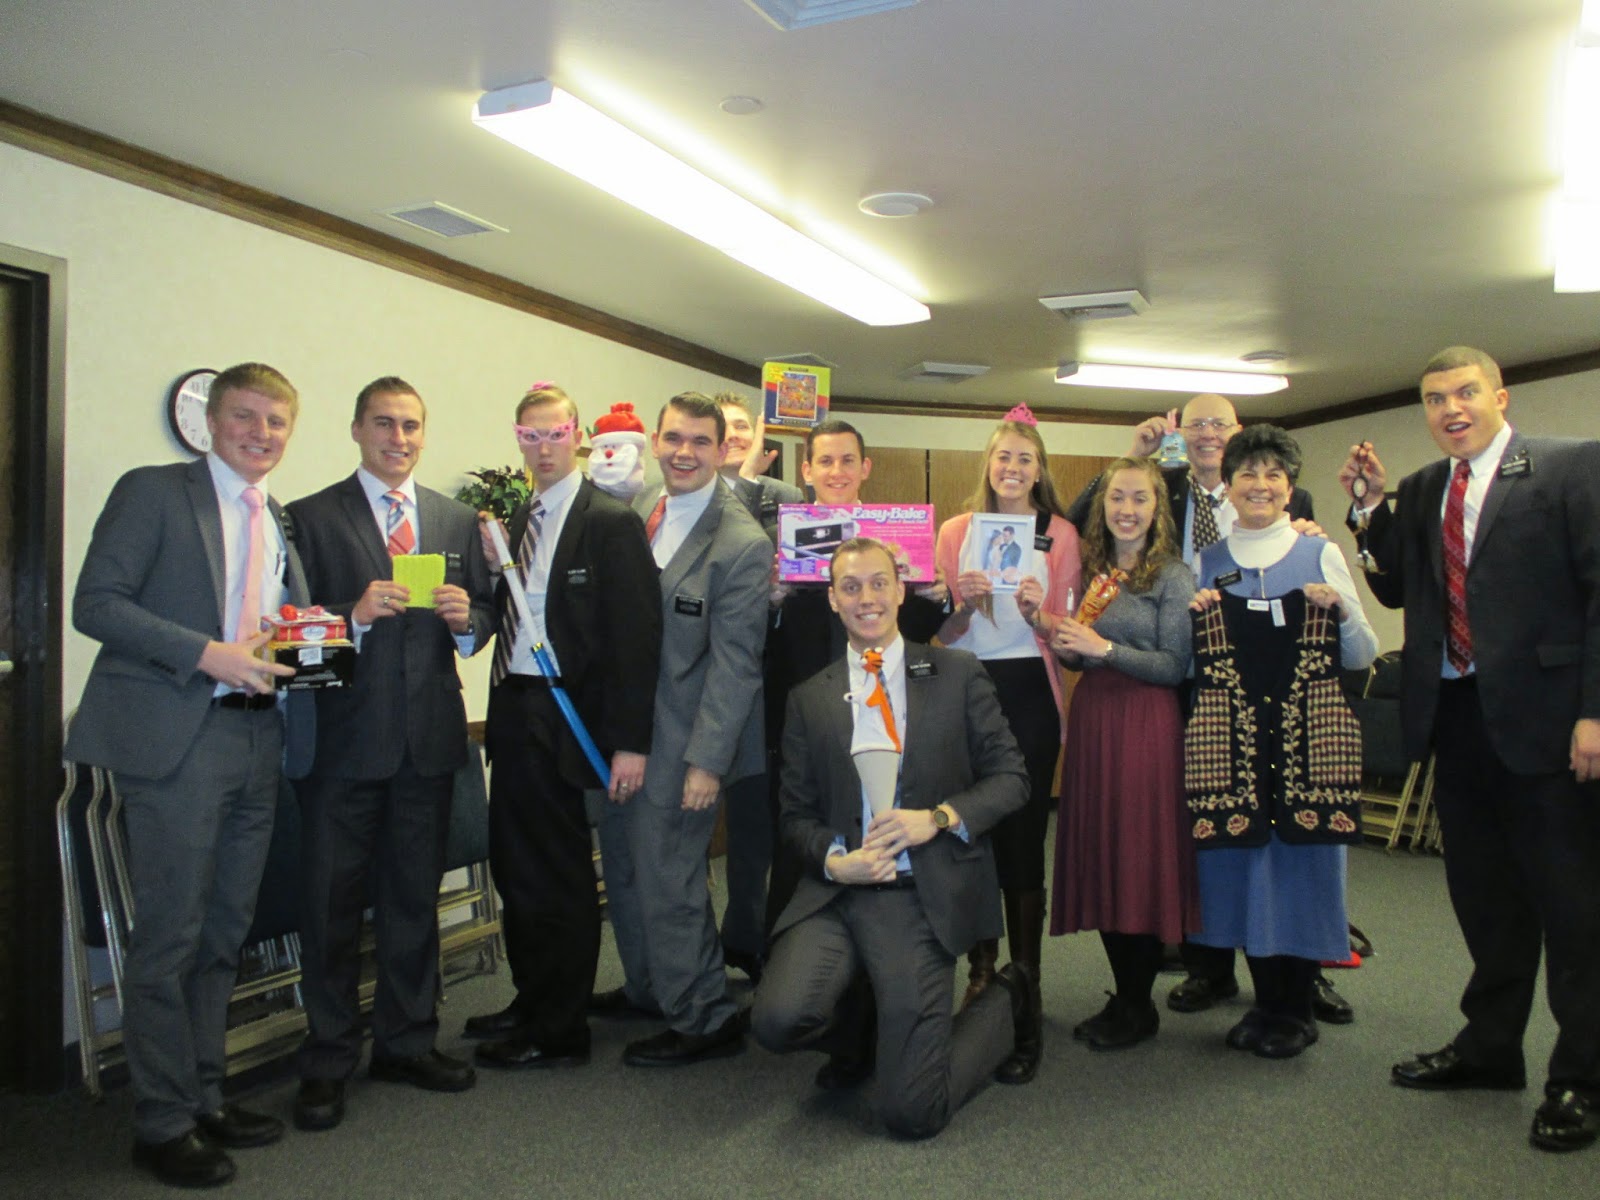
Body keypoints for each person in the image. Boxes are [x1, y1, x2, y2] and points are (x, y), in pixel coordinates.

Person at [1342, 346, 1600, 1152]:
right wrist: (1369, 512)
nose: (1450, 408)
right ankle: (1490, 1050)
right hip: (1456, 718)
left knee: (1574, 911)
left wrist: (1595, 712)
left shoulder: (1569, 467)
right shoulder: (1424, 489)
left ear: (1499, 396)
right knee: (1485, 902)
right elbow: (1395, 588)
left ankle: (1582, 1078)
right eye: (1434, 398)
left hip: (1551, 725)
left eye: (1464, 393)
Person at [66, 362, 310, 1188]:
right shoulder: (155, 492)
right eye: (245, 415)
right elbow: (96, 603)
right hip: (179, 738)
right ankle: (161, 1122)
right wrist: (206, 653)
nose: (261, 433)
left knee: (224, 932)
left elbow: (274, 625)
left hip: (257, 737)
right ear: (212, 421)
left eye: (276, 421)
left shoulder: (276, 515)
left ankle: (205, 1096)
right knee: (169, 936)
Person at [1065, 394, 1347, 1024]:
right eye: (1197, 424)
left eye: (1220, 424)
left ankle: (1300, 982)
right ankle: (1210, 968)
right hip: (1189, 692)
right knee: (1208, 842)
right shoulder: (1160, 490)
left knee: (1282, 842)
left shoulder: (1289, 512)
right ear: (1181, 434)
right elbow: (1079, 519)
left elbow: (1340, 629)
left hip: (1258, 695)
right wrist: (1130, 456)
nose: (1209, 434)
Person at [752, 537, 1036, 1138]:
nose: (867, 598)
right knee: (776, 1021)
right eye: (850, 587)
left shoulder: (957, 673)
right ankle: (869, 1025)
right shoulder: (810, 697)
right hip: (840, 893)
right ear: (832, 600)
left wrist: (937, 818)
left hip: (919, 894)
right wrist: (835, 861)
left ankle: (1009, 999)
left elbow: (1012, 779)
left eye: (879, 583)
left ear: (901, 590)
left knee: (913, 1114)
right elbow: (795, 815)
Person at [284, 377, 495, 1131]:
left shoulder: (455, 518)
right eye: (383, 424)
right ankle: (328, 1059)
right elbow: (287, 635)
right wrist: (351, 615)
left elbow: (488, 613)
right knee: (331, 910)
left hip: (428, 745)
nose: (397, 438)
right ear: (356, 429)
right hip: (341, 750)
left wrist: (470, 621)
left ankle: (407, 1043)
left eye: (410, 425)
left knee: (412, 904)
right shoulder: (309, 517)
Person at [466, 383, 662, 1070]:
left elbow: (637, 641)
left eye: (555, 434)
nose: (543, 447)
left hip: (566, 714)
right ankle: (532, 998)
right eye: (531, 435)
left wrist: (631, 742)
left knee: (559, 876)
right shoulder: (523, 517)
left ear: (576, 437)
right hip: (513, 708)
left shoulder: (608, 522)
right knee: (516, 869)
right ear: (517, 438)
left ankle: (560, 1028)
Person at [1185, 425, 1377, 1059]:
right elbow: (1191, 662)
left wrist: (1339, 608)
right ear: (1229, 486)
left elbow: (1363, 652)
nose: (1260, 485)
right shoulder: (1207, 563)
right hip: (1238, 747)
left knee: (1301, 871)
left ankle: (1295, 1009)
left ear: (1290, 487)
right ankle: (1266, 1003)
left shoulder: (1319, 552)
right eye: (1248, 473)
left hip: (1306, 745)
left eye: (1273, 474)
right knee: (1244, 873)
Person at [595, 391, 772, 1066]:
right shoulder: (640, 508)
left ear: (723, 450)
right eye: (673, 438)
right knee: (626, 868)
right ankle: (652, 989)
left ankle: (703, 1016)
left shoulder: (741, 544)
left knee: (671, 878)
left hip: (685, 739)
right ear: (656, 442)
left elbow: (736, 666)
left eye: (701, 441)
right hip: (623, 736)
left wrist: (706, 764)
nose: (685, 453)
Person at [933, 404, 1080, 1080]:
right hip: (965, 689)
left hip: (1028, 692)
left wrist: (1036, 613)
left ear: (1039, 470)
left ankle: (1026, 980)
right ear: (988, 465)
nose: (1013, 468)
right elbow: (939, 634)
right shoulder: (956, 531)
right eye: (1003, 457)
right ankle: (981, 971)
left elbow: (1069, 634)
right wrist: (961, 603)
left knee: (1021, 836)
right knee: (969, 833)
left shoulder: (1061, 534)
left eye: (1026, 459)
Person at [1048, 456, 1198, 1050]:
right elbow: (1076, 656)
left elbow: (1174, 665)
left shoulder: (1173, 576)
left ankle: (1139, 1004)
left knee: (1137, 858)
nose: (1127, 510)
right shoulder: (1091, 569)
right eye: (1116, 498)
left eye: (1139, 498)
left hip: (1146, 724)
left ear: (1158, 508)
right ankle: (1127, 996)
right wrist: (1067, 644)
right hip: (1096, 720)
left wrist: (1103, 648)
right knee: (1104, 854)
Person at [714, 392, 804, 983]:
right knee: (718, 831)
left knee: (769, 823)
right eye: (723, 427)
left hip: (772, 682)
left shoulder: (788, 498)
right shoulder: (680, 498)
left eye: (743, 426)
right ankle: (719, 946)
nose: (735, 435)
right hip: (708, 684)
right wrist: (742, 479)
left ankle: (763, 941)